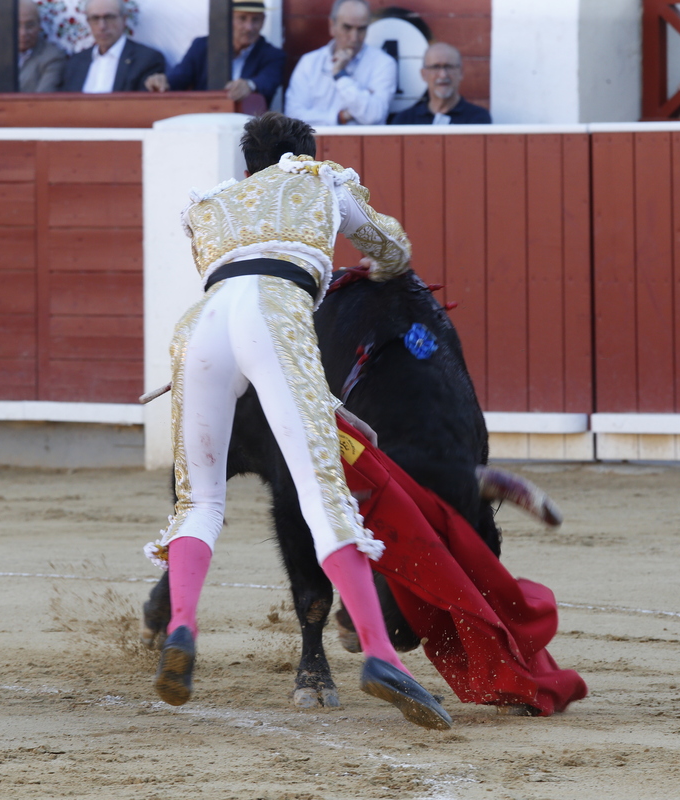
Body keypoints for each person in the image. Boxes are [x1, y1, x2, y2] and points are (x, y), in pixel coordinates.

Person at [146, 111, 452, 730]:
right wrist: (386, 270)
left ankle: (181, 625)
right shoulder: (323, 179)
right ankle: (381, 656)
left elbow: (236, 282)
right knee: (322, 495)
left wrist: (328, 405)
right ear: (306, 152)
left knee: (197, 501)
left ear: (248, 166)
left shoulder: (211, 203)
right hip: (275, 315)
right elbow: (389, 247)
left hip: (200, 328)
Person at [144, 0, 285, 105]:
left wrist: (249, 85)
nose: (249, 27)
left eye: (255, 20)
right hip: (202, 122)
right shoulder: (202, 46)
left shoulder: (273, 55)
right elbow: (181, 76)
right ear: (228, 19)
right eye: (242, 18)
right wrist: (163, 81)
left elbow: (268, 81)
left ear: (264, 21)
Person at [285, 0, 396, 126]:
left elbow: (374, 116)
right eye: (347, 28)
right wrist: (341, 117)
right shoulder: (309, 63)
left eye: (361, 29)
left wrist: (341, 76)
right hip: (314, 144)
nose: (354, 38)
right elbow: (293, 117)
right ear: (332, 26)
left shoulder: (383, 63)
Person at [58, 0, 165, 93]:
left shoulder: (146, 59)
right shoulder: (75, 62)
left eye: (109, 17)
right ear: (88, 22)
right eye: (95, 18)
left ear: (124, 20)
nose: (102, 26)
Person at [389, 42, 490, 125]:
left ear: (461, 72)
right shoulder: (405, 120)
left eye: (449, 67)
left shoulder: (477, 118)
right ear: (424, 74)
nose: (443, 75)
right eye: (435, 67)